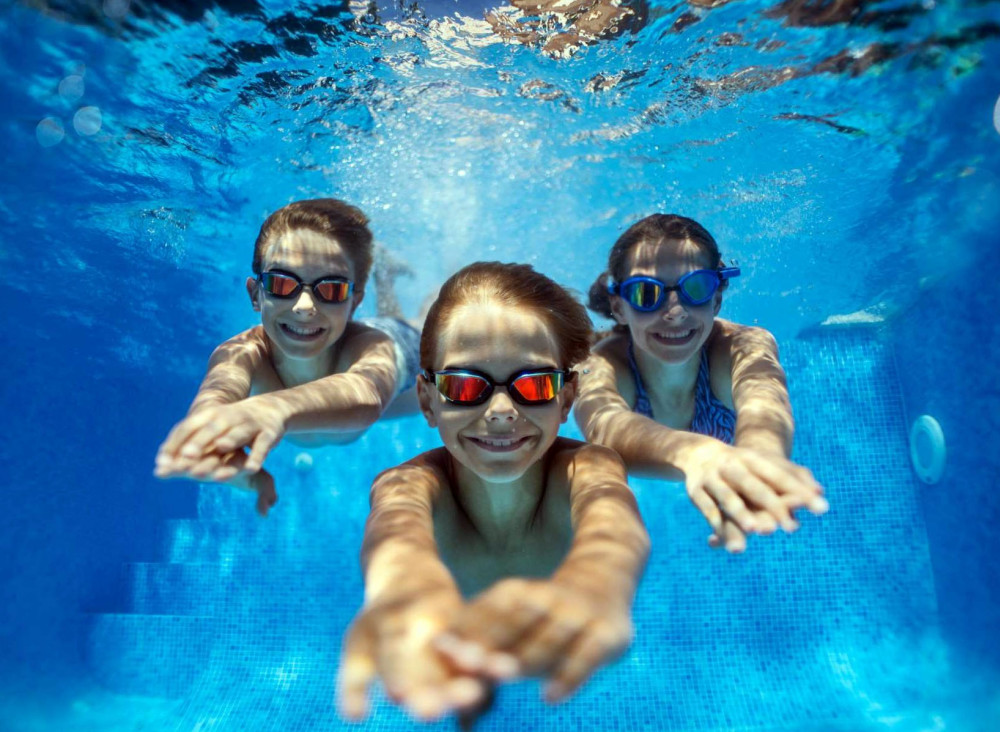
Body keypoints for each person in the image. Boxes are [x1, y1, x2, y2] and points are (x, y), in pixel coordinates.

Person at [337, 262, 650, 722]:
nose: (502, 412)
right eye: (464, 387)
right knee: (409, 331)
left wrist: (599, 583)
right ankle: (389, 281)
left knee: (433, 329)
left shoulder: (586, 466)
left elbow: (612, 519)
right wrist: (401, 589)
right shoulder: (409, 484)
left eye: (536, 384)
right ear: (427, 402)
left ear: (566, 399)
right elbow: (396, 535)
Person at [575, 214, 828, 553]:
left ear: (717, 300)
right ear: (619, 308)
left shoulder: (744, 346)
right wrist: (696, 454)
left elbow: (764, 401)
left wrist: (760, 460)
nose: (676, 311)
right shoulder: (601, 363)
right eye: (646, 293)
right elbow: (605, 427)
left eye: (696, 288)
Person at [154, 198, 422, 515]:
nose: (304, 307)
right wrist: (218, 449)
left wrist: (275, 407)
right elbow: (214, 403)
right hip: (338, 411)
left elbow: (366, 395)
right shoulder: (241, 353)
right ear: (256, 294)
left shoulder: (370, 347)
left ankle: (390, 275)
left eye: (332, 289)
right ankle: (385, 274)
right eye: (282, 283)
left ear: (353, 302)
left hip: (405, 359)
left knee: (428, 324)